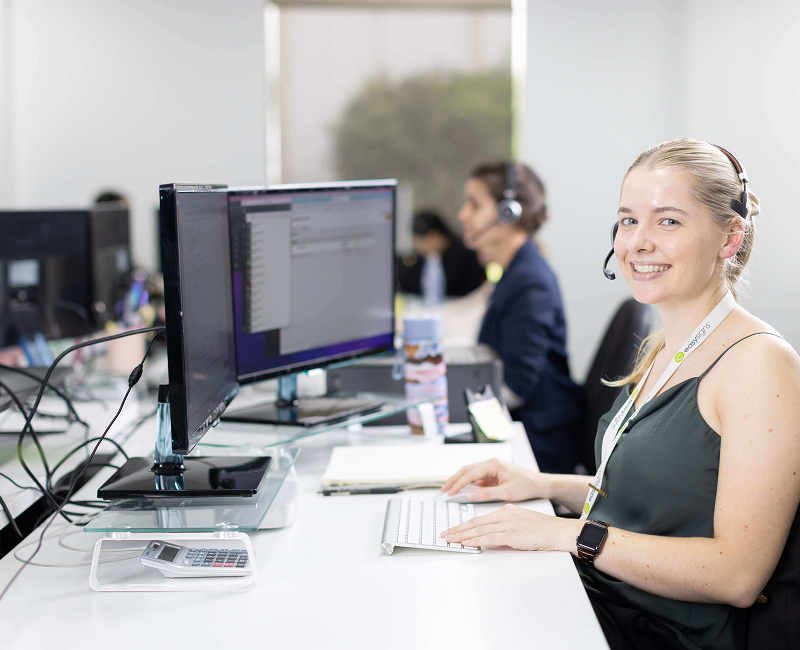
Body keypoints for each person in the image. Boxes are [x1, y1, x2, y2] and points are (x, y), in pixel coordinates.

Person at [439, 139, 800, 650]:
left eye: (668, 221)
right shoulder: (665, 348)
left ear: (729, 238)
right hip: (604, 598)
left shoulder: (760, 365)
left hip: (662, 633)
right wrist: (540, 483)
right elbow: (653, 505)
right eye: (628, 220)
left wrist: (569, 534)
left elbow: (737, 575)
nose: (638, 242)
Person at [457, 161, 583, 474]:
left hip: (539, 444)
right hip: (524, 430)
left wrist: (444, 404)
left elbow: (515, 387)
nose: (462, 215)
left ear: (507, 213)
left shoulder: (530, 281)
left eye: (474, 204)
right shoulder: (516, 270)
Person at [397, 210, 486, 298]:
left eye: (429, 238)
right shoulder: (414, 260)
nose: (423, 245)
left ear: (440, 235)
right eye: (419, 240)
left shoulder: (465, 257)